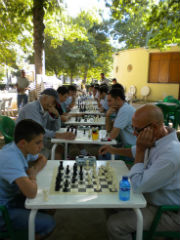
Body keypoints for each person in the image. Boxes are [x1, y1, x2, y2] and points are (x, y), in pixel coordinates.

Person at [99, 104, 180, 240]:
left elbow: (137, 185)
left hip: (168, 213)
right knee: (109, 201)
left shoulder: (170, 155)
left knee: (114, 225)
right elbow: (133, 151)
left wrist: (141, 150)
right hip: (150, 196)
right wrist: (113, 150)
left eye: (137, 129)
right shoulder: (159, 137)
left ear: (154, 127)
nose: (134, 133)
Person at [0, 119, 55, 239]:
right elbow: (31, 193)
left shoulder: (21, 149)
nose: (42, 146)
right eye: (38, 143)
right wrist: (33, 176)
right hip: (3, 210)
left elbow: (42, 159)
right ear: (23, 143)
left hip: (13, 198)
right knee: (49, 223)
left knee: (50, 205)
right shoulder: (10, 158)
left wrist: (33, 169)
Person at [16, 88, 75, 159]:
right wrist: (58, 135)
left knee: (60, 147)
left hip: (38, 139)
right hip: (27, 142)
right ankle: (53, 168)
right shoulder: (32, 108)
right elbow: (37, 131)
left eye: (55, 104)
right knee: (56, 152)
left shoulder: (45, 110)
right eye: (53, 102)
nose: (53, 105)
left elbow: (56, 128)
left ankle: (57, 166)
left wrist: (57, 116)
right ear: (45, 98)